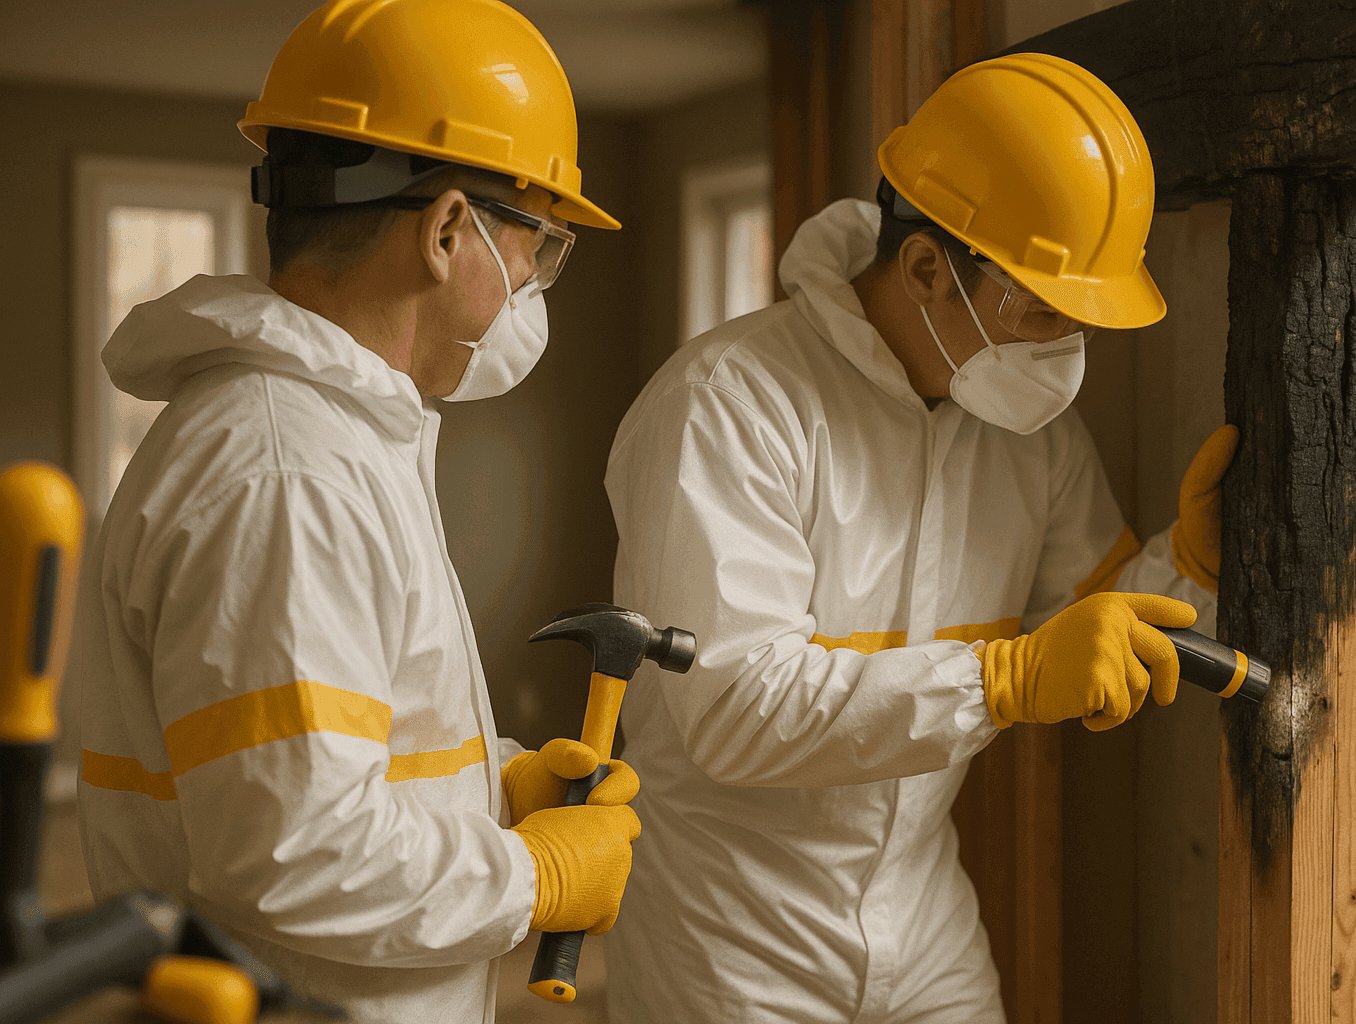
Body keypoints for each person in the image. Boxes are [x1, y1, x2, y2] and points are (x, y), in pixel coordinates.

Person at [602, 52, 1238, 1023]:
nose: (1061, 350)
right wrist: (1003, 681)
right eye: (1039, 310)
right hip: (728, 933)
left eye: (1079, 322)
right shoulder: (729, 408)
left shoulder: (1032, 439)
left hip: (920, 910)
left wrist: (1184, 569)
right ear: (928, 268)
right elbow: (736, 711)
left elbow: (1093, 628)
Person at [72, 2, 640, 1021]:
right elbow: (294, 847)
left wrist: (493, 788)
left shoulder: (330, 441)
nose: (532, 282)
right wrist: (530, 876)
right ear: (448, 229)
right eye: (538, 246)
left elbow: (316, 761)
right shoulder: (287, 475)